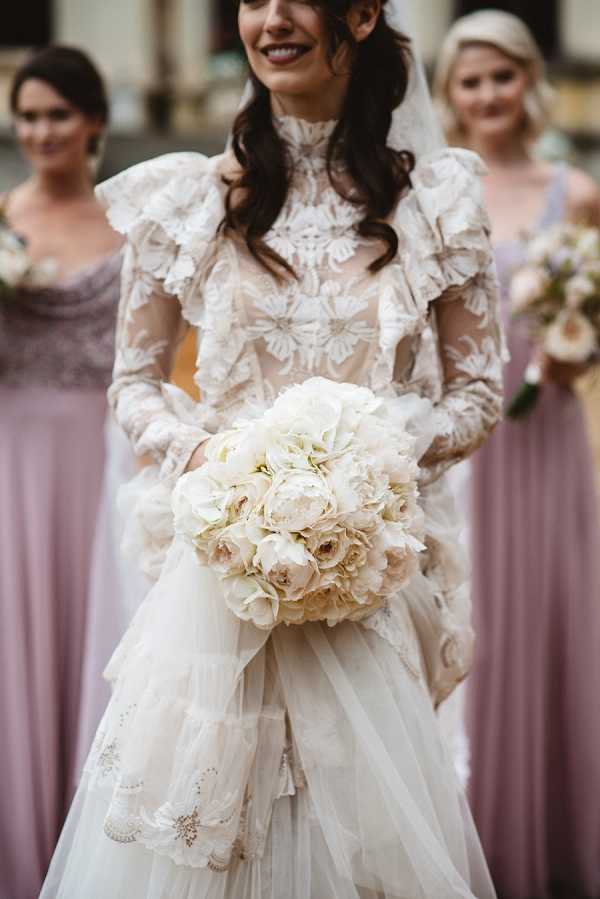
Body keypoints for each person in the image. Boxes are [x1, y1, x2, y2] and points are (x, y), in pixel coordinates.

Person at [41, 2, 503, 896]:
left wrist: (378, 461)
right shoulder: (185, 199)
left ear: (362, 14)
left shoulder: (436, 200)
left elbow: (477, 391)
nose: (272, 20)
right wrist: (214, 462)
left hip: (366, 578)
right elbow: (133, 384)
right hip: (222, 580)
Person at [434, 11, 600, 899]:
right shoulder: (432, 190)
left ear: (529, 81)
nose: (488, 95)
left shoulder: (572, 191)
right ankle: (473, 843)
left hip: (548, 433)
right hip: (466, 446)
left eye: (502, 77)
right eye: (471, 81)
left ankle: (556, 842)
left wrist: (583, 350)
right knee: (474, 620)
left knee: (549, 611)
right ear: (450, 96)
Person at [0, 46, 123, 899]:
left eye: (57, 114)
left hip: (104, 459)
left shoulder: (132, 226)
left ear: (94, 124)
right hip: (11, 458)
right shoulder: (1, 217)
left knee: (103, 641)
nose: (41, 130)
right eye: (29, 114)